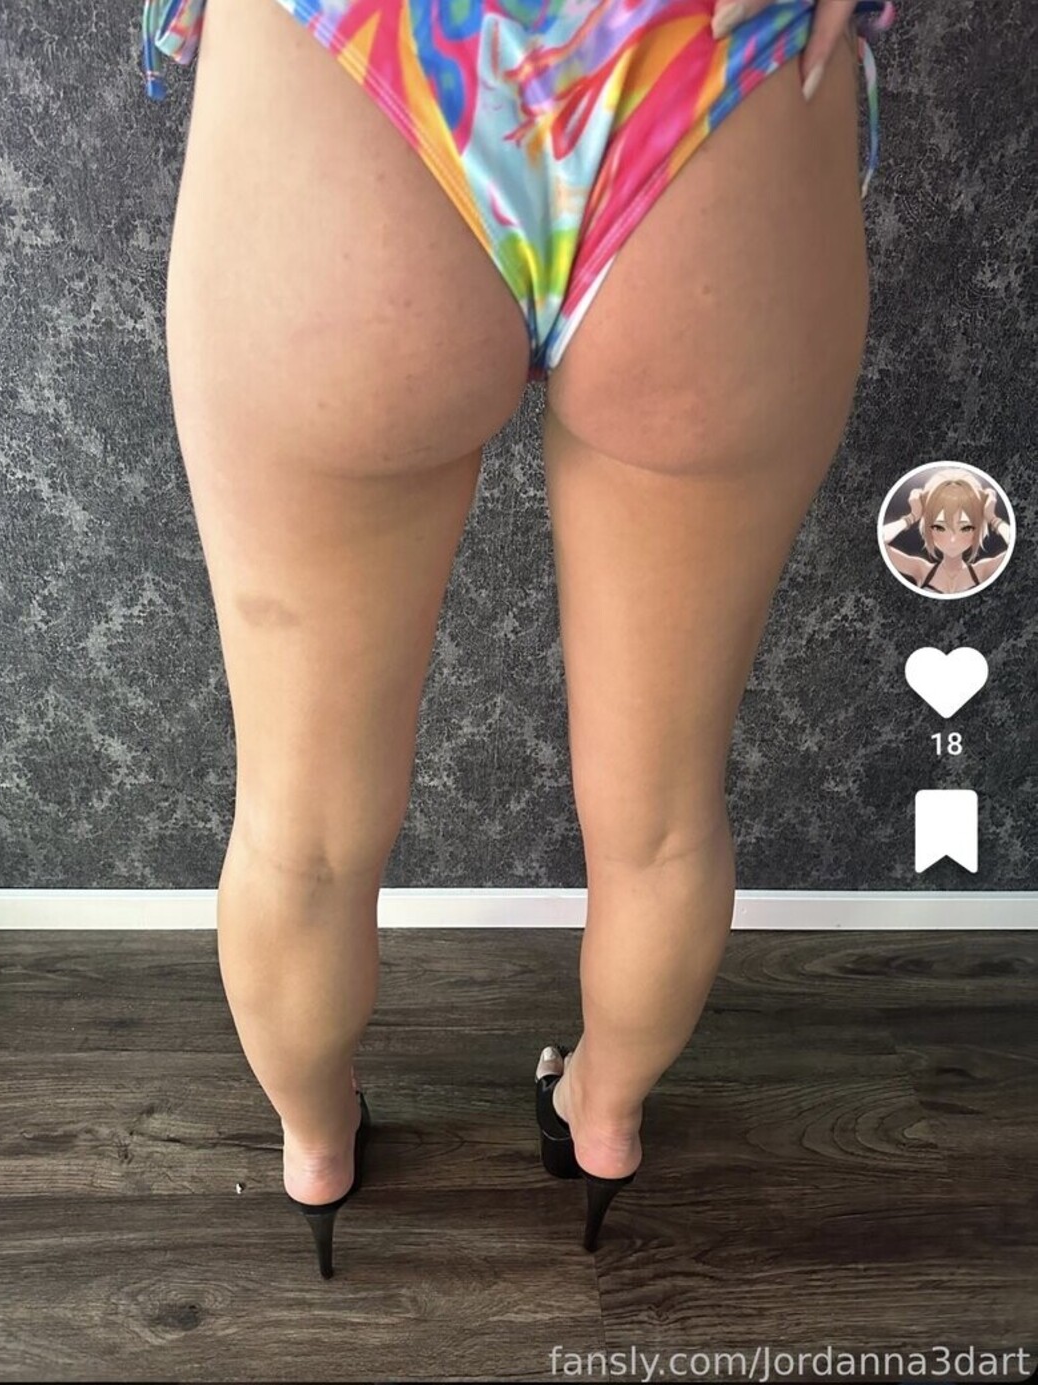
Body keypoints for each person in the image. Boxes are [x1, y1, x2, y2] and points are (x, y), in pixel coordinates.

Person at [143, 0, 897, 1276]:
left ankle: (319, 1146)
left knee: (301, 831)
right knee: (660, 823)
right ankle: (601, 1120)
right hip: (715, 75)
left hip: (361, 54)